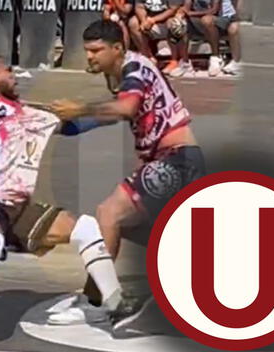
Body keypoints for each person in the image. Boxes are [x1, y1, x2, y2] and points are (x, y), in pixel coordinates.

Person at [0, 55, 137, 352]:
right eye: (8, 71)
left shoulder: (28, 113)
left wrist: (120, 110)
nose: (15, 76)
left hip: (20, 209)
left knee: (86, 227)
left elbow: (75, 127)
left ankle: (116, 306)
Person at [49, 20, 206, 330]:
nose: (90, 57)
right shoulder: (119, 74)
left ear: (117, 49)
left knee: (109, 214)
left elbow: (127, 109)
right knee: (133, 230)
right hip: (176, 162)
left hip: (176, 160)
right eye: (87, 51)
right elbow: (117, 113)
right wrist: (69, 127)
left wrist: (80, 109)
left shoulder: (134, 70)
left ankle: (96, 302)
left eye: (96, 50)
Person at [128, 0, 191, 76]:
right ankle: (148, 58)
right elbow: (139, 7)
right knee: (133, 22)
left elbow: (172, 9)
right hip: (149, 21)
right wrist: (143, 20)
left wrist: (153, 20)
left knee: (176, 23)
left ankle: (179, 61)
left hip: (167, 20)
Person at [183, 0, 241, 76]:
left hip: (228, 17)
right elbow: (186, 7)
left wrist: (191, 13)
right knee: (179, 23)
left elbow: (214, 10)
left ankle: (225, 59)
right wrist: (184, 12)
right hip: (212, 18)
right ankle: (184, 62)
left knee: (208, 20)